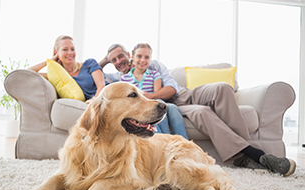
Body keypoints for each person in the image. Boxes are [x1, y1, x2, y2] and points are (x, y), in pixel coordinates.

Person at [99, 43, 296, 177]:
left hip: (184, 94)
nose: (118, 62)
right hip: (176, 107)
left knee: (222, 88)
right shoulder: (119, 79)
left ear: (128, 54)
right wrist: (104, 61)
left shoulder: (152, 65)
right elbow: (93, 71)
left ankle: (246, 153)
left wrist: (148, 96)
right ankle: (256, 155)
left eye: (120, 57)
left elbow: (171, 88)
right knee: (202, 113)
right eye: (113, 60)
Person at [120, 43, 188, 139]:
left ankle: (185, 142)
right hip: (138, 107)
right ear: (132, 57)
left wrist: (150, 97)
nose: (143, 60)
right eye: (139, 56)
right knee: (160, 105)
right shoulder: (124, 79)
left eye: (146, 57)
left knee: (173, 108)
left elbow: (157, 95)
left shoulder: (154, 74)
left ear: (150, 59)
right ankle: (165, 140)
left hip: (154, 102)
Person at [29, 35, 107, 100]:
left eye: (72, 49)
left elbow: (101, 86)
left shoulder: (89, 63)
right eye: (65, 49)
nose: (70, 53)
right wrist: (49, 61)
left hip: (106, 97)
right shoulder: (58, 77)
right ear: (57, 52)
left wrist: (93, 101)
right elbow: (27, 73)